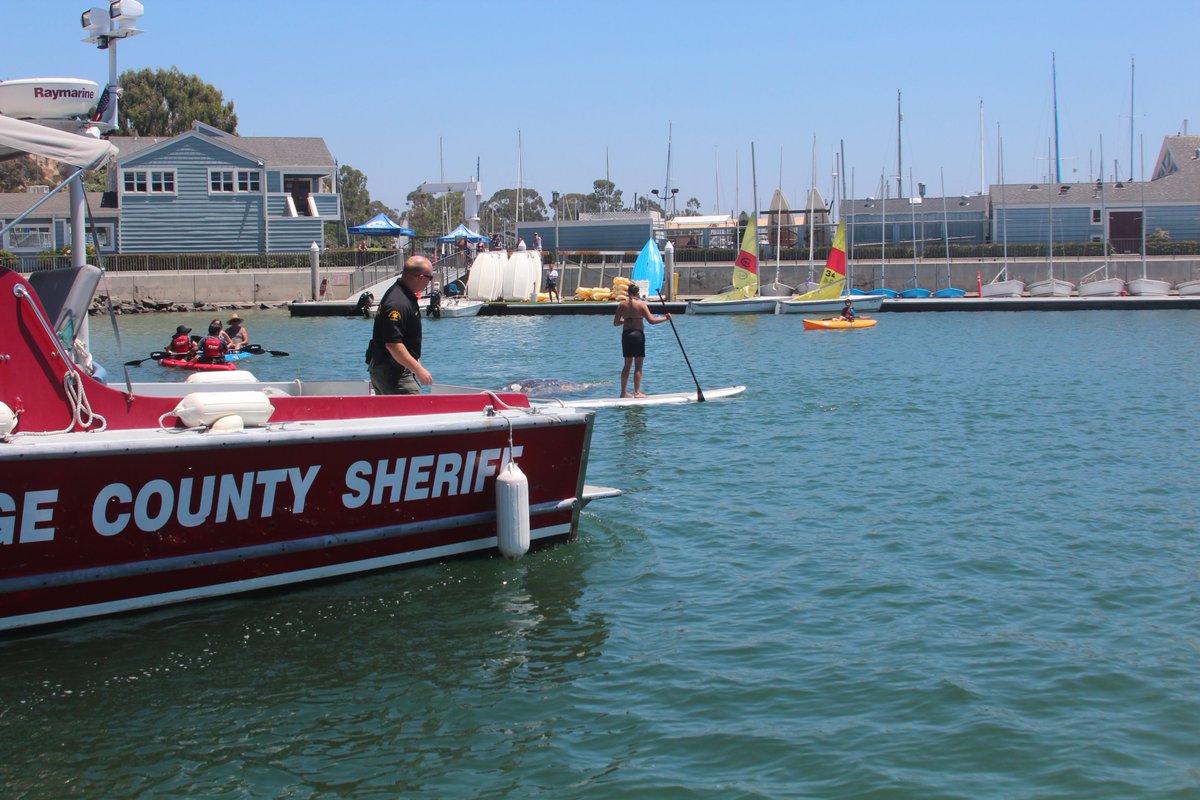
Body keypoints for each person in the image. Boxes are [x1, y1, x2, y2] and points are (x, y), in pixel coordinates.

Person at [366, 255, 435, 395]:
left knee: (394, 413)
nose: (430, 282)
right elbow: (393, 344)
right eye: (430, 278)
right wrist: (419, 370)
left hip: (395, 367)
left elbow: (405, 338)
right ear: (420, 277)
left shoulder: (404, 294)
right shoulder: (398, 303)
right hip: (392, 371)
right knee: (416, 411)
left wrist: (415, 363)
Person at [612, 283, 671, 398]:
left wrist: (626, 321)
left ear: (628, 293)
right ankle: (637, 392)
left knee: (627, 365)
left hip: (626, 335)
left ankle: (623, 392)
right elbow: (652, 321)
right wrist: (666, 318)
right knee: (638, 366)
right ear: (637, 293)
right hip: (638, 335)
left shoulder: (622, 305)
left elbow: (615, 323)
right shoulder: (641, 304)